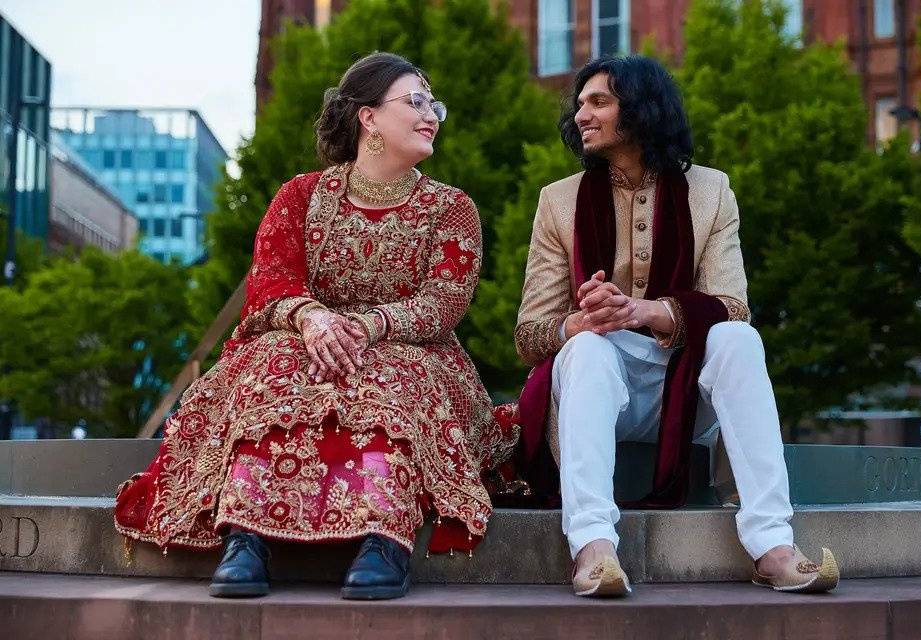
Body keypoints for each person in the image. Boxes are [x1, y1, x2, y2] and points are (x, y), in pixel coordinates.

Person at [115, 52, 517, 601]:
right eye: (416, 101)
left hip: (412, 345)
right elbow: (271, 283)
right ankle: (247, 537)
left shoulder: (451, 208)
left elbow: (442, 305)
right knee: (272, 367)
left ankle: (384, 540)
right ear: (368, 117)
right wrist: (313, 319)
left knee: (390, 377)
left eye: (434, 104)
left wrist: (368, 326)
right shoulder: (302, 196)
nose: (433, 115)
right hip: (303, 336)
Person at [514, 55, 839, 597]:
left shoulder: (711, 192)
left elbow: (732, 306)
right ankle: (593, 547)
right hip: (595, 389)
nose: (580, 116)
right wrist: (584, 320)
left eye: (599, 102)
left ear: (640, 111)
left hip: (684, 392)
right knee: (590, 348)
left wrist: (645, 312)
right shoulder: (559, 201)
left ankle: (772, 544)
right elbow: (529, 336)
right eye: (579, 104)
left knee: (738, 338)